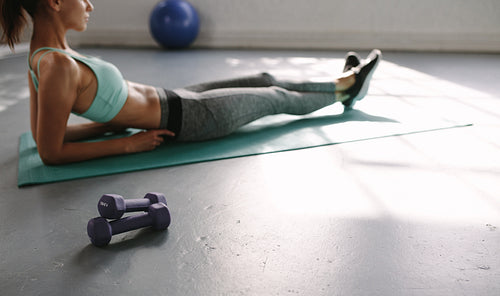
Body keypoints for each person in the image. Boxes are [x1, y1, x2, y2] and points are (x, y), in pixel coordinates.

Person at [0, 0, 381, 165]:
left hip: (176, 98)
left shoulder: (43, 55)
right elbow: (50, 152)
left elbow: (44, 137)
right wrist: (125, 145)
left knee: (263, 78)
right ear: (53, 2)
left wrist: (106, 124)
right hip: (189, 119)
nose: (90, 6)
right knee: (274, 96)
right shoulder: (57, 67)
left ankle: (343, 84)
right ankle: (347, 86)